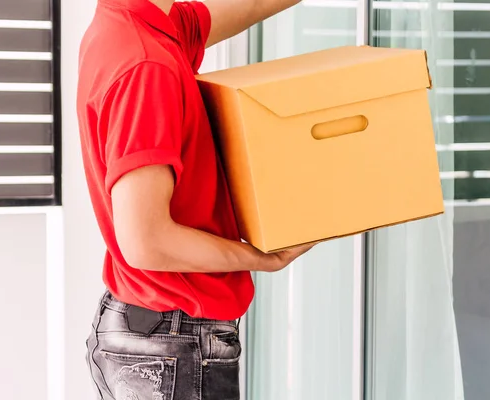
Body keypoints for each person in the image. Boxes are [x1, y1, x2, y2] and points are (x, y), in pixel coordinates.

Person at [77, 0, 314, 398]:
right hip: (172, 344)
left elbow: (251, 5)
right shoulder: (145, 65)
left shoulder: (137, 23)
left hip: (151, 330)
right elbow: (147, 240)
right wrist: (260, 259)